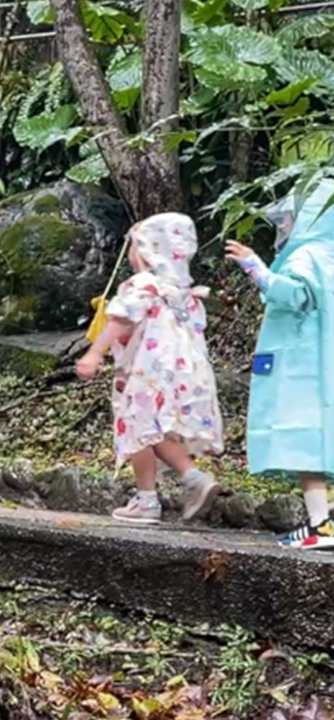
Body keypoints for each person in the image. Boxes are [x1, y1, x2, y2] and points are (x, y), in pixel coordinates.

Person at [225, 180, 334, 550]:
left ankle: (320, 527)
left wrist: (255, 269)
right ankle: (321, 516)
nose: (282, 226)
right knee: (314, 446)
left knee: (305, 446)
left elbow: (293, 294)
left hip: (302, 372)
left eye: (288, 218)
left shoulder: (306, 259)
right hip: (333, 377)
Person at [77, 213, 223, 524]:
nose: (129, 253)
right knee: (154, 430)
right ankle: (172, 487)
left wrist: (94, 353)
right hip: (185, 376)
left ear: (147, 249)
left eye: (133, 245)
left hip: (149, 374)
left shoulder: (143, 284)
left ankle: (161, 494)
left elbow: (120, 319)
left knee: (138, 429)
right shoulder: (183, 293)